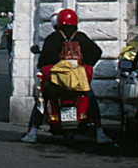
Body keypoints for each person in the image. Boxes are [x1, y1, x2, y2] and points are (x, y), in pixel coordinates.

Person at [20, 8, 106, 144]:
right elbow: (97, 52)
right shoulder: (81, 37)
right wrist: (85, 64)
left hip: (57, 83)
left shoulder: (53, 38)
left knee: (41, 101)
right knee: (90, 97)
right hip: (78, 83)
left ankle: (33, 132)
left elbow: (43, 62)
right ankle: (100, 132)